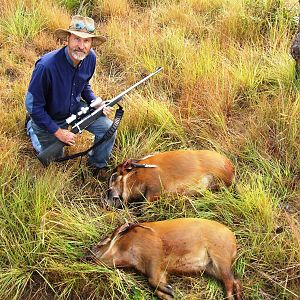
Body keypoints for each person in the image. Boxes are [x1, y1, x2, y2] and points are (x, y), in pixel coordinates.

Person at [25, 15, 115, 179]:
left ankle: (97, 165)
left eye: (86, 41)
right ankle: (32, 128)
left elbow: (84, 84)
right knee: (54, 159)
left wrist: (95, 102)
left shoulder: (90, 58)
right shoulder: (46, 66)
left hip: (74, 110)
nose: (81, 46)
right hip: (48, 118)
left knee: (108, 128)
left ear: (91, 43)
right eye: (77, 39)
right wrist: (58, 132)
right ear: (67, 39)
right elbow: (33, 107)